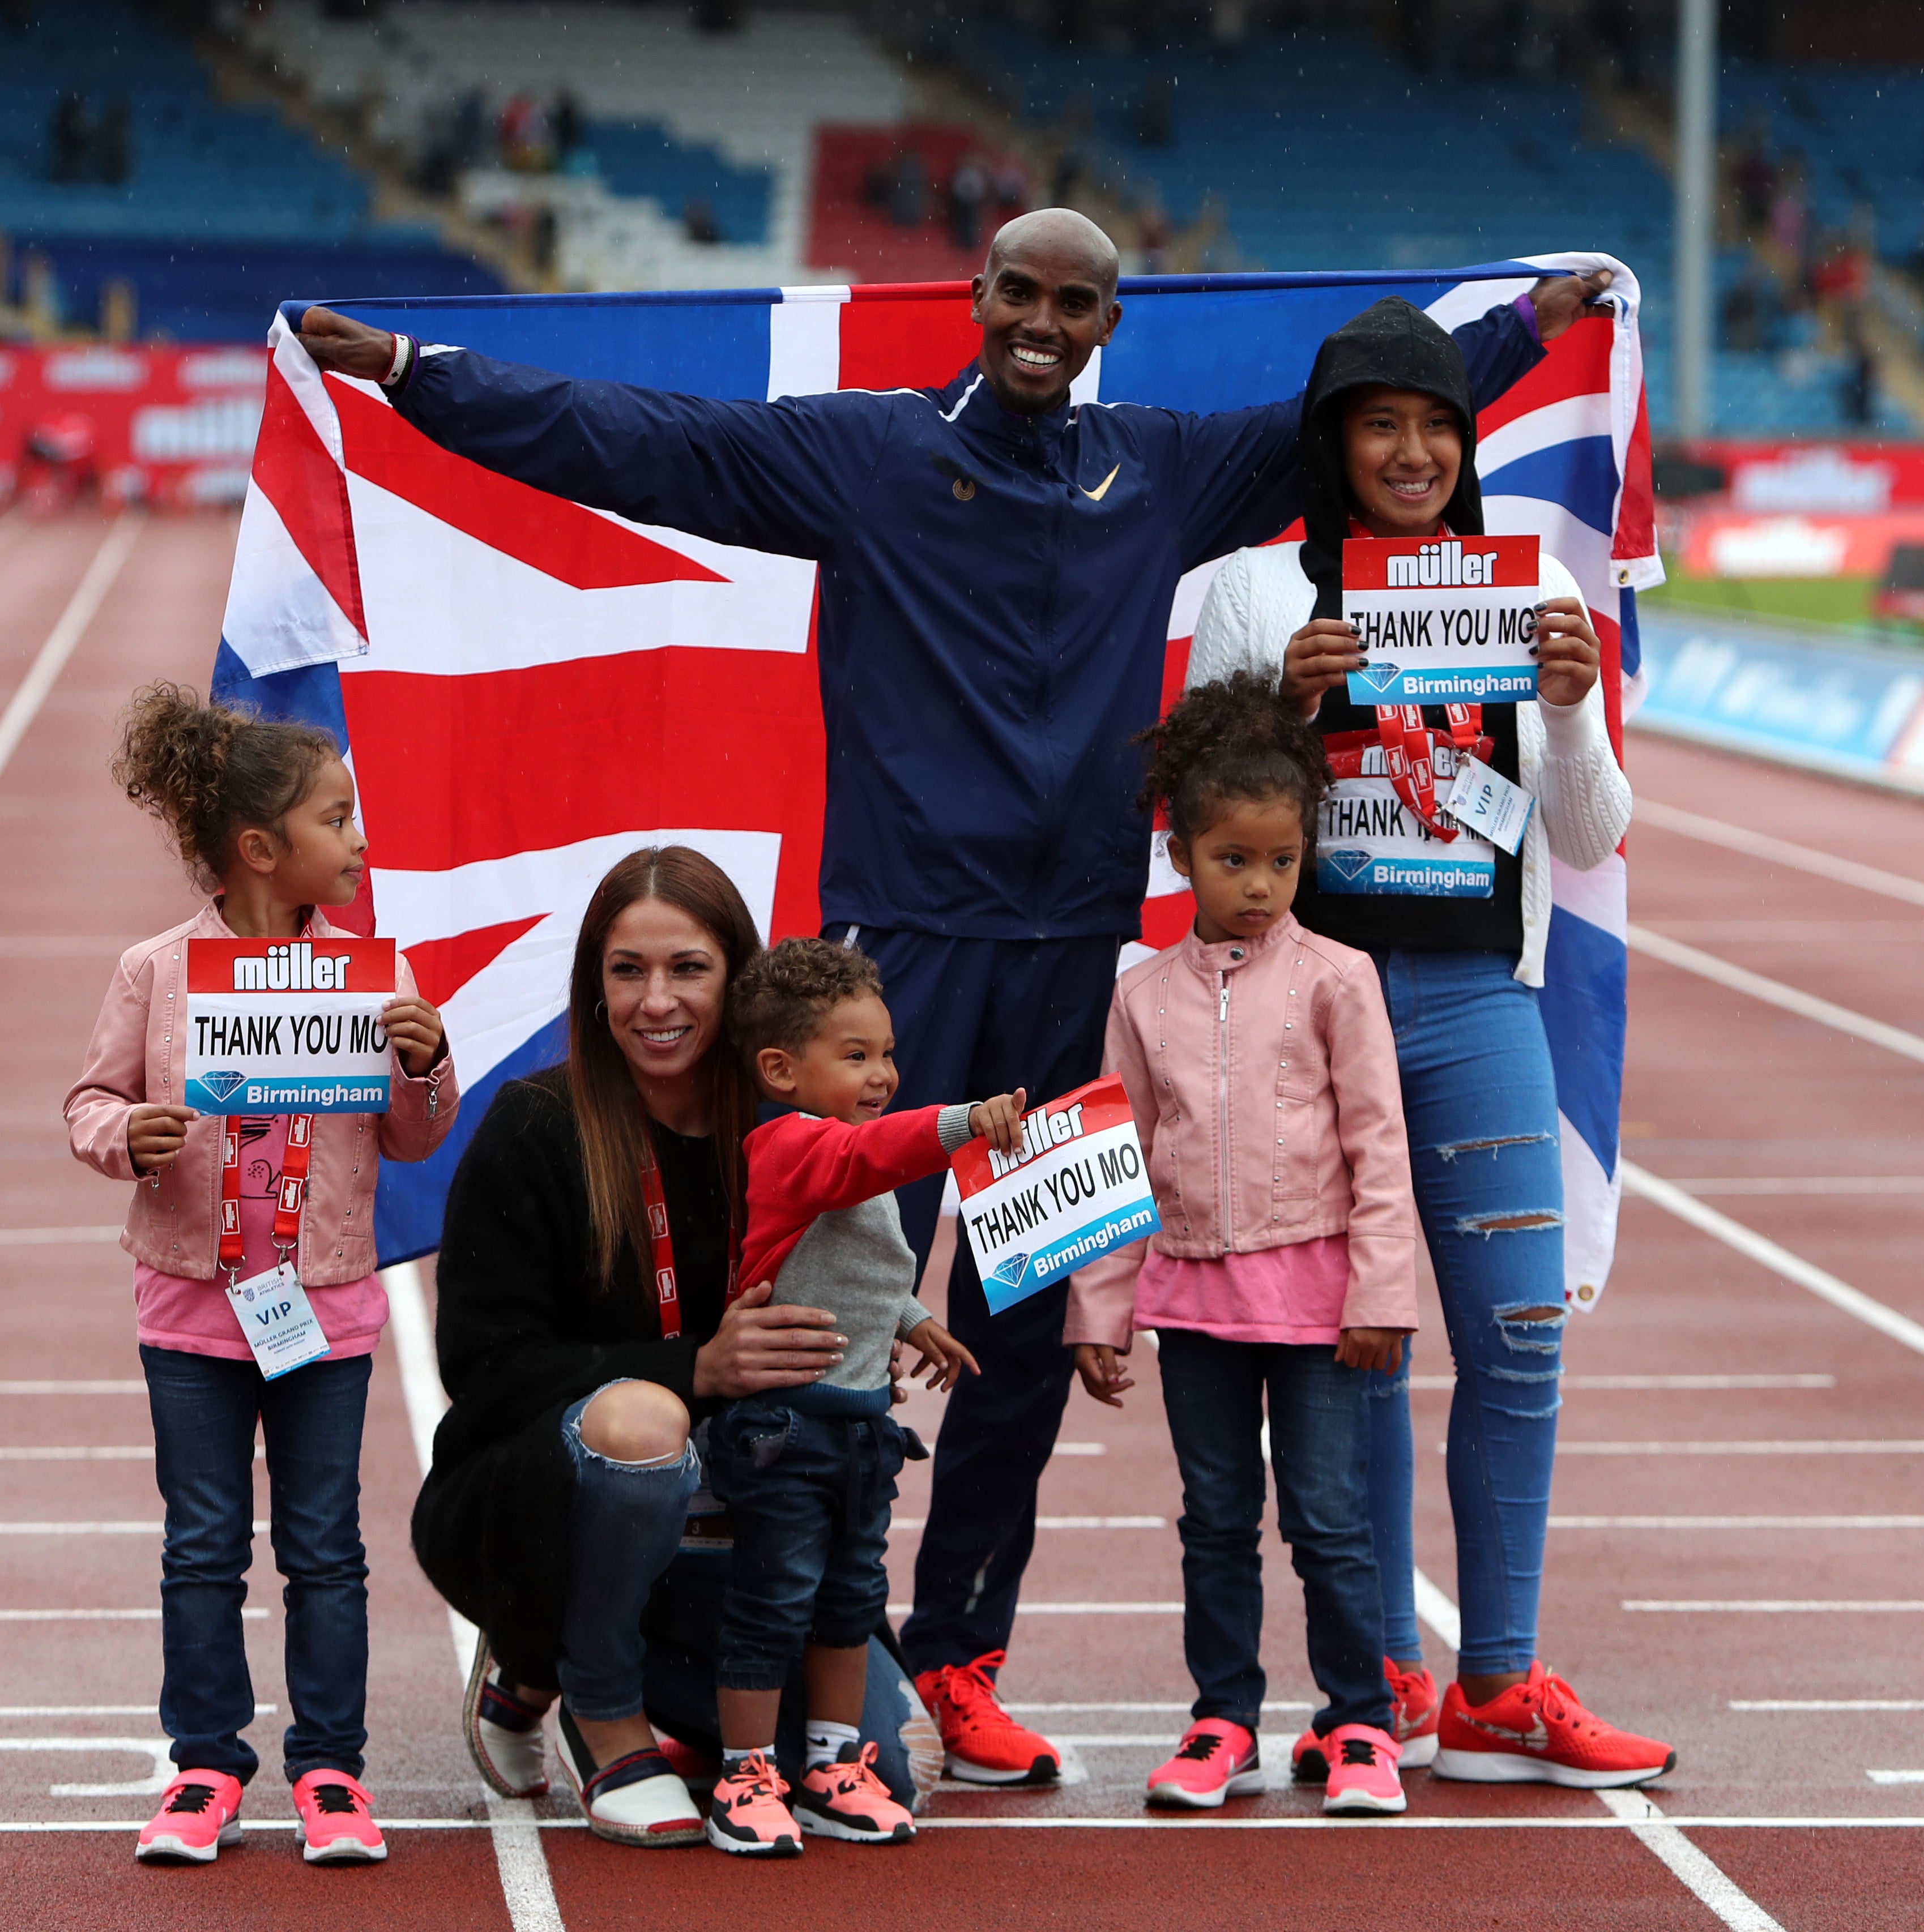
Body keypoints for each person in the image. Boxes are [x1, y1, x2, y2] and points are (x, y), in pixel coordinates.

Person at [296, 219, 1605, 1785]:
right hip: (891, 959)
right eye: (1019, 295)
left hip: (1069, 964)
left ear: (1108, 319)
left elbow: (1343, 420)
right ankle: (665, 1631)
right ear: (978, 302)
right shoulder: (871, 454)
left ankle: (959, 1653)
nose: (1042, 323)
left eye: (1073, 302)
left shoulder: (1163, 469)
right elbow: (643, 444)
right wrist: (423, 380)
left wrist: (1527, 327)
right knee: (807, 1307)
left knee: (1020, 1319)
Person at [1185, 297, 1671, 1789]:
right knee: (1365, 1350)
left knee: (1519, 1332)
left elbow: (1588, 833)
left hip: (1475, 999)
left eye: (1433, 424)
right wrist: (1287, 707)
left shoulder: (1523, 595)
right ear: (1333, 442)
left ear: (1465, 445)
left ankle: (1501, 1679)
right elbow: (1199, 815)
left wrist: (1572, 708)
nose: (1408, 449)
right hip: (1309, 1004)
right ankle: (1386, 1661)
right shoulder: (1263, 591)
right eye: (1378, 423)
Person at [415, 848, 931, 1846]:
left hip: (752, 1502)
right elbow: (483, 1372)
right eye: (627, 970)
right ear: (594, 986)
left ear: (739, 980)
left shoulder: (802, 1128)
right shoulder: (536, 1125)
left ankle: (570, 1677)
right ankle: (591, 1704)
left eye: (689, 968)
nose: (658, 1000)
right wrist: (694, 1369)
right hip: (540, 1497)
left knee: (880, 1761)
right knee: (643, 1422)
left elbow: (863, 1284)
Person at [65, 683, 460, 1866]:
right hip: (189, 1307)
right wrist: (117, 1133)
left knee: (325, 1544)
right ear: (258, 849)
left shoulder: (372, 980)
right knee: (201, 1541)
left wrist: (426, 1064)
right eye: (339, 818)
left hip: (325, 1309)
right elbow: (91, 1097)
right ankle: (204, 1764)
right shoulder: (156, 972)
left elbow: (412, 1138)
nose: (361, 840)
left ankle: (331, 1767)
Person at [1067, 669, 1422, 1819]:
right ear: (1182, 852)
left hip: (1320, 1305)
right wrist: (1100, 1312)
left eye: (1280, 859)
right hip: (1195, 1307)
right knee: (1215, 1516)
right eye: (1234, 860)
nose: (1260, 883)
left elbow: (1379, 1146)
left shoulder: (1339, 978)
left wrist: (1383, 1294)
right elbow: (1121, 1158)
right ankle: (1223, 1718)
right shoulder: (1143, 994)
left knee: (1328, 1515)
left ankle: (1359, 1719)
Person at [703, 938, 1011, 1856]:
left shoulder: (843, 1161)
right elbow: (874, 1156)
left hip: (859, 1429)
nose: (884, 1073)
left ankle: (834, 1764)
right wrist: (962, 1121)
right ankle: (746, 1768)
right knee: (771, 1597)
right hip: (783, 1429)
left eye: (886, 1052)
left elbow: (859, 1261)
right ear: (779, 1068)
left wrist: (915, 1319)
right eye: (857, 1055)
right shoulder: (794, 1143)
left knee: (848, 1598)